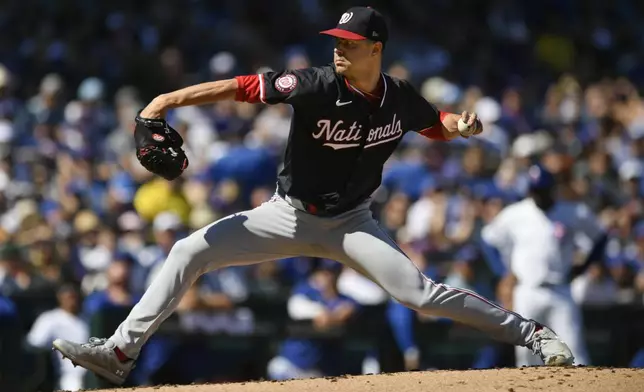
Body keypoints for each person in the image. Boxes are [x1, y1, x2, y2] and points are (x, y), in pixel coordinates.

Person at [53, 7, 574, 385]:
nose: (337, 47)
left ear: (375, 48)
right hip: (288, 215)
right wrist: (166, 99)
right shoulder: (314, 84)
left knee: (420, 295)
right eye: (336, 40)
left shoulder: (398, 96)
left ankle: (533, 334)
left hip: (353, 224)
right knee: (189, 250)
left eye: (349, 41)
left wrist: (455, 124)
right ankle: (120, 352)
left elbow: (430, 121)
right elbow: (241, 87)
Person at [481, 164, 604, 367]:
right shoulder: (517, 213)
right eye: (534, 190)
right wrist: (504, 272)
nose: (538, 194)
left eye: (542, 190)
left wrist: (584, 266)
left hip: (560, 290)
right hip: (528, 291)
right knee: (526, 357)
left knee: (575, 352)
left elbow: (600, 237)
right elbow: (488, 239)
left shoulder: (571, 211)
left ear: (551, 189)